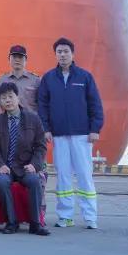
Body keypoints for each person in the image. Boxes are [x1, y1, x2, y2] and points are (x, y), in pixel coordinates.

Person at [37, 37, 104, 230]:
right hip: (59, 135)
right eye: (59, 52)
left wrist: (95, 129)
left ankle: (90, 217)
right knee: (63, 176)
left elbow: (95, 104)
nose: (63, 55)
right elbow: (42, 106)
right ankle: (65, 216)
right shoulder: (49, 78)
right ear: (55, 55)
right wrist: (46, 129)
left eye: (66, 51)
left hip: (82, 135)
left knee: (84, 175)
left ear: (72, 54)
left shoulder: (84, 77)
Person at [0, 82, 50, 236]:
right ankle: (11, 222)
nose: (8, 100)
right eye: (4, 98)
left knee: (34, 181)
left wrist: (34, 165)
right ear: (0, 101)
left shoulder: (33, 119)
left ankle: (35, 223)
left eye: (11, 96)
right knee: (1, 181)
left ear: (18, 97)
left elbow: (41, 146)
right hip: (5, 167)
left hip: (25, 167)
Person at [0, 45, 40, 113]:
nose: (17, 60)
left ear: (26, 59)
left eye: (20, 57)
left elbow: (42, 103)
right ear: (9, 59)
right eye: (14, 57)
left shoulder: (36, 80)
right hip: (8, 118)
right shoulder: (2, 80)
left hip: (30, 118)